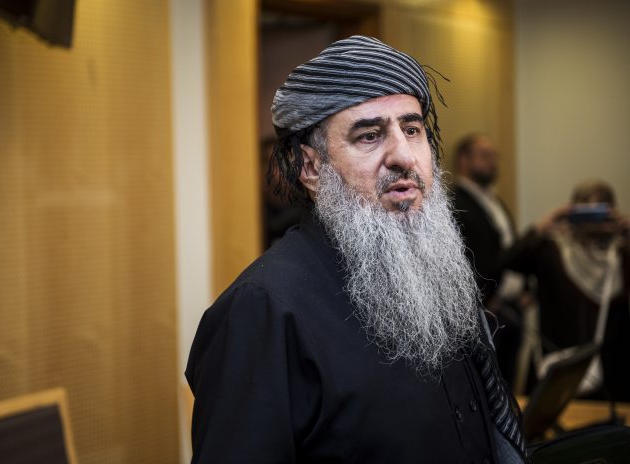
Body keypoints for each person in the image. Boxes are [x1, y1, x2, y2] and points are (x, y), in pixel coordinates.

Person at [186, 36, 527, 463]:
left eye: (412, 130)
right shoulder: (262, 311)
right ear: (311, 167)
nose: (404, 156)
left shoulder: (434, 271)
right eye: (369, 136)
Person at [504, 180, 630, 401]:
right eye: (585, 212)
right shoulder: (553, 251)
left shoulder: (622, 255)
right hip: (561, 376)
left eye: (599, 212)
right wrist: (543, 226)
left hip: (613, 379)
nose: (593, 221)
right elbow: (505, 262)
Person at [452, 134, 528, 387]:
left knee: (509, 385)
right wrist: (483, 299)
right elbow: (465, 259)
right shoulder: (456, 202)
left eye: (495, 156)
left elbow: (507, 249)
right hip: (485, 312)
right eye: (485, 155)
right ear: (463, 160)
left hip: (510, 308)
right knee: (489, 388)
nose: (493, 162)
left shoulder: (494, 200)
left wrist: (524, 290)